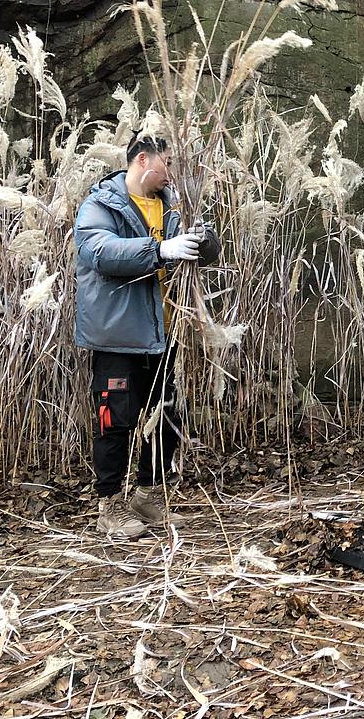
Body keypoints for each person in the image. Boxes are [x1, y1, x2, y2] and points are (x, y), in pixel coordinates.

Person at [73, 132, 218, 539]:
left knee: (166, 415)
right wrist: (160, 250)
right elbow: (98, 252)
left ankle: (147, 494)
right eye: (168, 162)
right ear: (142, 159)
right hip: (117, 335)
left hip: (162, 332)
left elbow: (204, 253)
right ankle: (110, 505)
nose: (172, 172)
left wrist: (202, 242)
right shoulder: (102, 204)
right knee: (115, 419)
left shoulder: (172, 205)